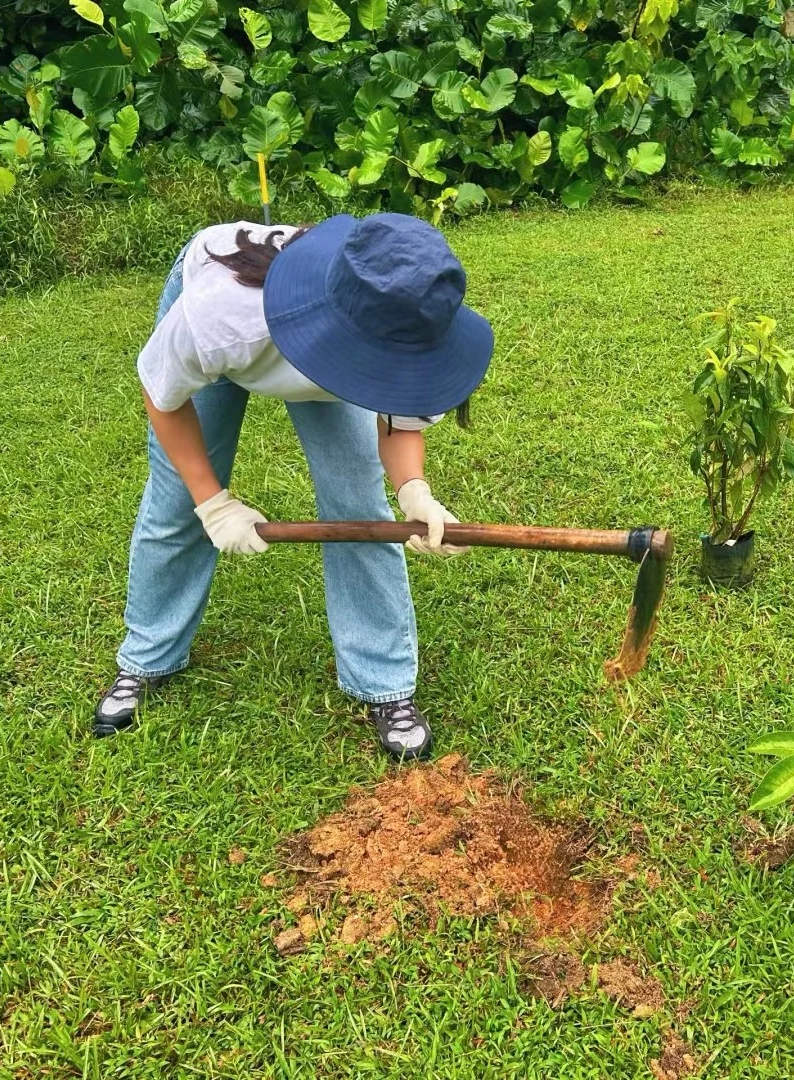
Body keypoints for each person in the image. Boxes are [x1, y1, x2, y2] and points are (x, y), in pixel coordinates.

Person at [93, 213, 494, 760]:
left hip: (340, 336)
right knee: (178, 504)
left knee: (360, 510)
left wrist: (413, 491)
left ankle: (384, 685)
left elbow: (399, 418)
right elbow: (163, 395)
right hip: (255, 328)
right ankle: (146, 657)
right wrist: (212, 502)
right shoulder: (223, 316)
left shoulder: (410, 317)